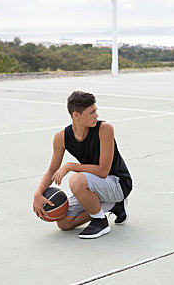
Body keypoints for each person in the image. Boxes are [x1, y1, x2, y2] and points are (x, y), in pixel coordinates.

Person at [33, 91, 132, 239]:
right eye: (91, 113)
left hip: (118, 183)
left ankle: (100, 221)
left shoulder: (105, 129)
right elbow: (52, 170)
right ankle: (113, 206)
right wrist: (38, 193)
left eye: (95, 111)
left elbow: (103, 171)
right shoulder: (61, 137)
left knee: (76, 179)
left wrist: (70, 166)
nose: (96, 116)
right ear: (76, 115)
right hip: (94, 184)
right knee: (64, 223)